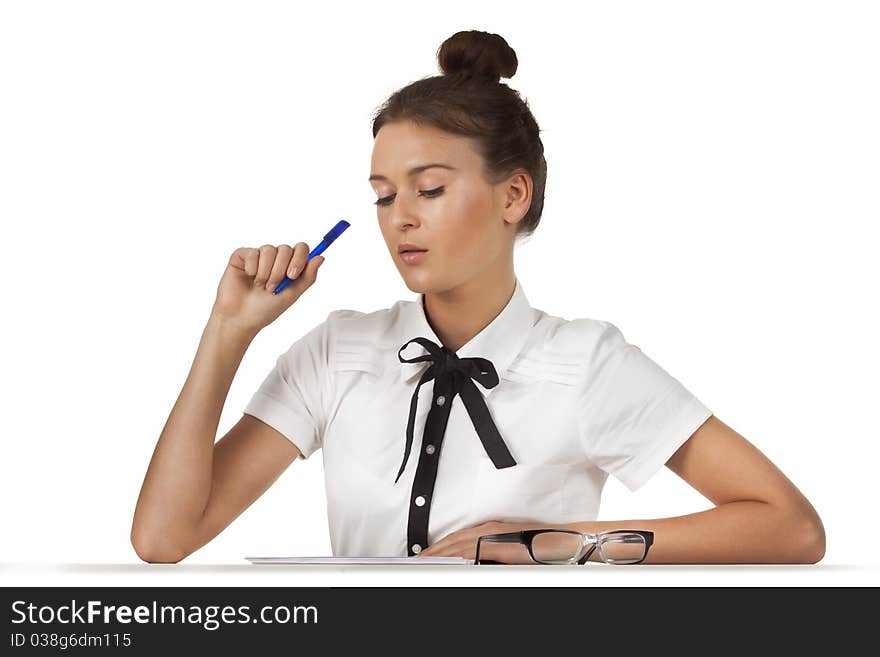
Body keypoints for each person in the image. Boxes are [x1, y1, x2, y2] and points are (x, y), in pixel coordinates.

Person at [131, 30, 825, 565]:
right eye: (383, 195)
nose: (400, 215)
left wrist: (546, 541)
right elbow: (164, 536)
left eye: (428, 189)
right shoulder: (337, 352)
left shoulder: (587, 363)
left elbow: (788, 524)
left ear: (512, 195)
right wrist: (228, 333)